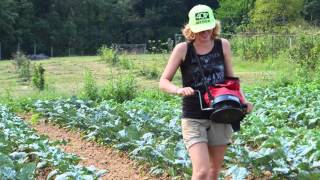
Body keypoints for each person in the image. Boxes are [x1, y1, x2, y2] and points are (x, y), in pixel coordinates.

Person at [159, 4, 253, 180]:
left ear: (213, 25)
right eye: (200, 28)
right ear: (192, 29)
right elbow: (163, 81)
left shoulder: (223, 45)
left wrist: (244, 101)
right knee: (201, 171)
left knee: (213, 172)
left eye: (208, 27)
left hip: (222, 113)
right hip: (193, 116)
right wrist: (178, 89)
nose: (205, 32)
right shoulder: (182, 49)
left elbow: (232, 80)